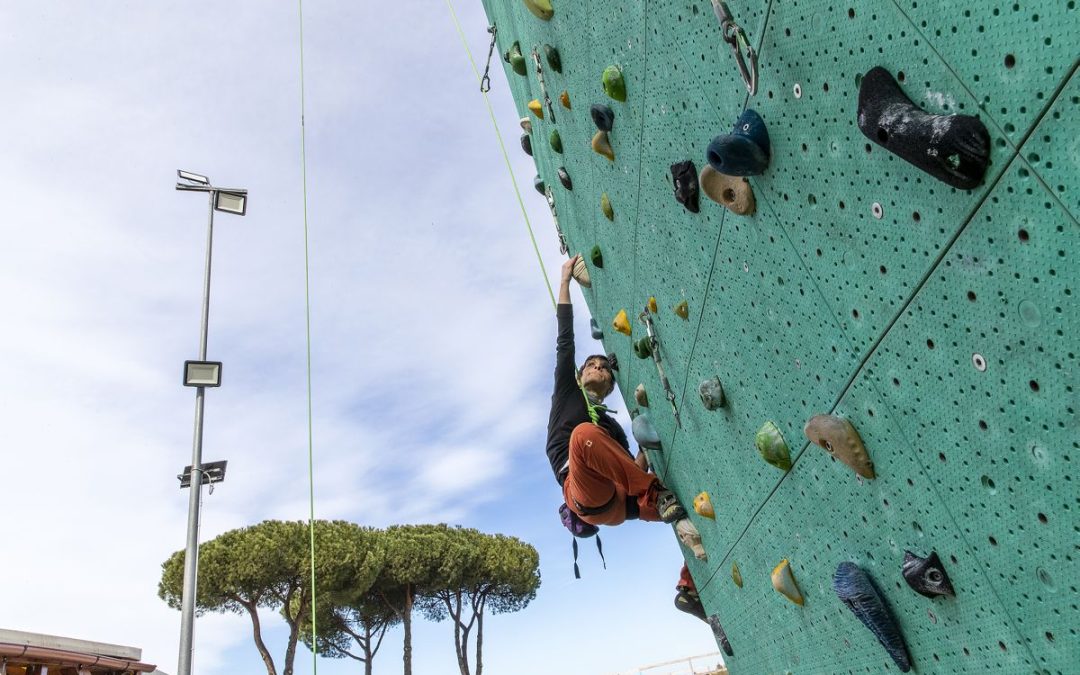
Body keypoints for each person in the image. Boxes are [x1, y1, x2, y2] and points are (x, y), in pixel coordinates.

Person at [547, 254, 687, 527]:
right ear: (578, 375)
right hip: (585, 494)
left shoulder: (610, 428)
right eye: (590, 364)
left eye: (603, 367)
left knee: (692, 526)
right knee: (582, 435)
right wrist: (564, 280)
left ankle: (659, 503)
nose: (597, 366)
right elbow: (565, 339)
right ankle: (655, 493)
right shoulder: (567, 394)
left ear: (611, 386)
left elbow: (632, 470)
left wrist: (648, 446)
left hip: (621, 503)